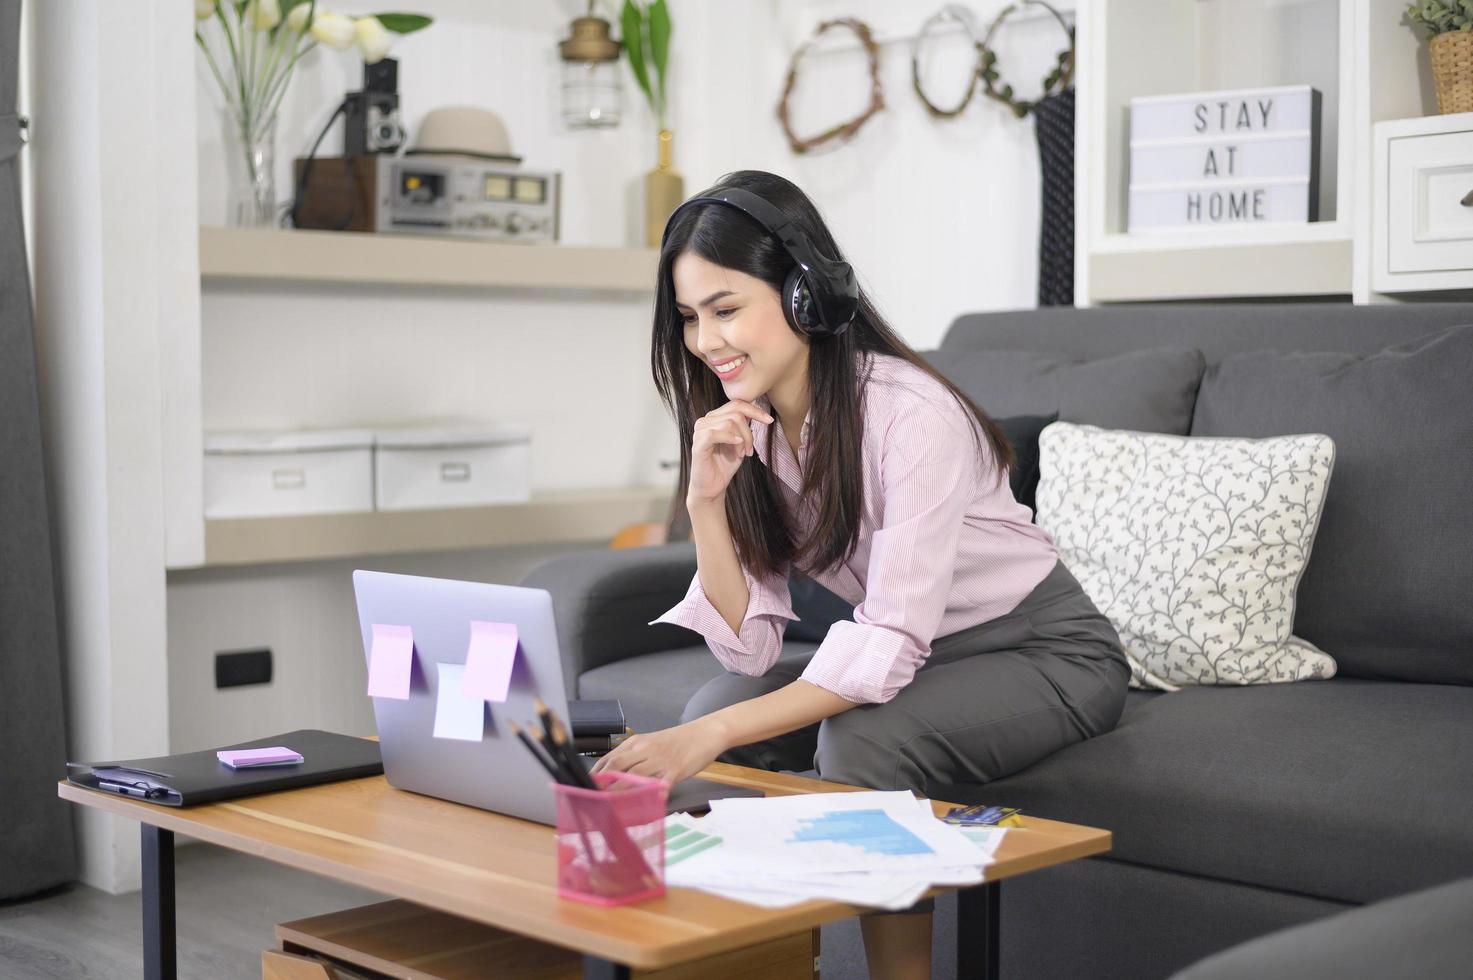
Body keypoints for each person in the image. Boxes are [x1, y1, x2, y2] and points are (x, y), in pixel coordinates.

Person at [593, 170, 1129, 979]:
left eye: (726, 308)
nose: (706, 342)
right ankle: (766, 961)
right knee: (719, 706)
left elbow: (886, 644)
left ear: (806, 292)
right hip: (926, 651)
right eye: (690, 318)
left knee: (859, 736)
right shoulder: (748, 425)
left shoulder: (911, 416)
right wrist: (706, 503)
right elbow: (745, 652)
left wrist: (702, 738)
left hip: (1045, 649)